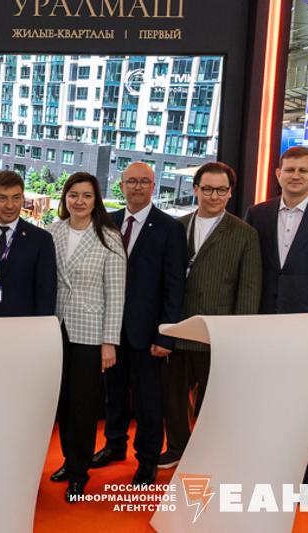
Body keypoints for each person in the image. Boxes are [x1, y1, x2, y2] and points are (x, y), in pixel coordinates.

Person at [76, 162, 187, 487]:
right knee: (113, 394)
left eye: (144, 181)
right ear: (121, 185)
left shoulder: (169, 228)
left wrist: (165, 335)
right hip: (109, 329)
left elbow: (174, 286)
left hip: (147, 332)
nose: (137, 187)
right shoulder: (107, 222)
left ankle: (148, 459)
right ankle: (114, 445)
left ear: (153, 186)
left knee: (148, 399)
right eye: (131, 181)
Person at [159, 162, 262, 470]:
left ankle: (205, 454)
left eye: (221, 190)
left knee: (212, 401)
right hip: (177, 327)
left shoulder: (245, 234)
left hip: (216, 333)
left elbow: (248, 289)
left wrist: (236, 338)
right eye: (207, 189)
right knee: (173, 397)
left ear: (230, 193)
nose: (213, 196)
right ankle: (176, 447)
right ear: (196, 190)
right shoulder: (177, 227)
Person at [245, 146, 308, 502]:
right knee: (262, 403)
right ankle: (264, 469)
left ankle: (301, 476)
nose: (296, 176)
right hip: (262, 325)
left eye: (303, 170)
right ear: (278, 173)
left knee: (303, 408)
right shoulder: (257, 214)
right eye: (290, 169)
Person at [47, 172, 126, 502]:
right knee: (62, 404)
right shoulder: (53, 231)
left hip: (90, 333)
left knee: (82, 405)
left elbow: (116, 294)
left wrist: (110, 341)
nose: (79, 201)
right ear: (65, 198)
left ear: (96, 201)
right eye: (73, 195)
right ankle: (69, 460)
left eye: (87, 195)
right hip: (54, 331)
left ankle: (80, 473)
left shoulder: (109, 237)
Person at [0, 170, 56, 317]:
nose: (10, 205)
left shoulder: (41, 240)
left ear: (22, 199)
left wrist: (39, 328)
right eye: (2, 198)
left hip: (21, 325)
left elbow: (46, 294)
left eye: (16, 198)